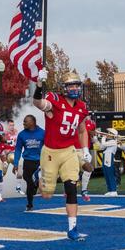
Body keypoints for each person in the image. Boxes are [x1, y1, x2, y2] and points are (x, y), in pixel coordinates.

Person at [33, 70, 89, 241]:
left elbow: (82, 129)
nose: (74, 88)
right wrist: (39, 85)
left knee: (71, 187)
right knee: (47, 195)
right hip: (50, 152)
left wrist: (85, 149)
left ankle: (72, 228)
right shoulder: (55, 100)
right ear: (64, 88)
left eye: (76, 85)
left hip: (69, 151)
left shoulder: (81, 106)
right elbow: (38, 103)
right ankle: (39, 176)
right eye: (70, 85)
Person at [13, 115, 44, 211]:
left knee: (34, 184)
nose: (23, 123)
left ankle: (30, 205)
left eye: (25, 122)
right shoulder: (22, 134)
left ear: (32, 122)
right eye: (23, 121)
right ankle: (30, 202)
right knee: (27, 179)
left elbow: (49, 147)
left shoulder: (43, 133)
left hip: (40, 162)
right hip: (28, 161)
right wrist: (16, 163)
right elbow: (18, 149)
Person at [99, 128, 118, 196]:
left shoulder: (113, 141)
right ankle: (110, 190)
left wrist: (103, 138)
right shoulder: (108, 141)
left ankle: (114, 190)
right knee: (106, 174)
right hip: (106, 157)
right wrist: (96, 140)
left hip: (109, 158)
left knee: (110, 174)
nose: (107, 134)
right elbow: (101, 147)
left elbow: (104, 144)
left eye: (109, 133)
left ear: (113, 135)